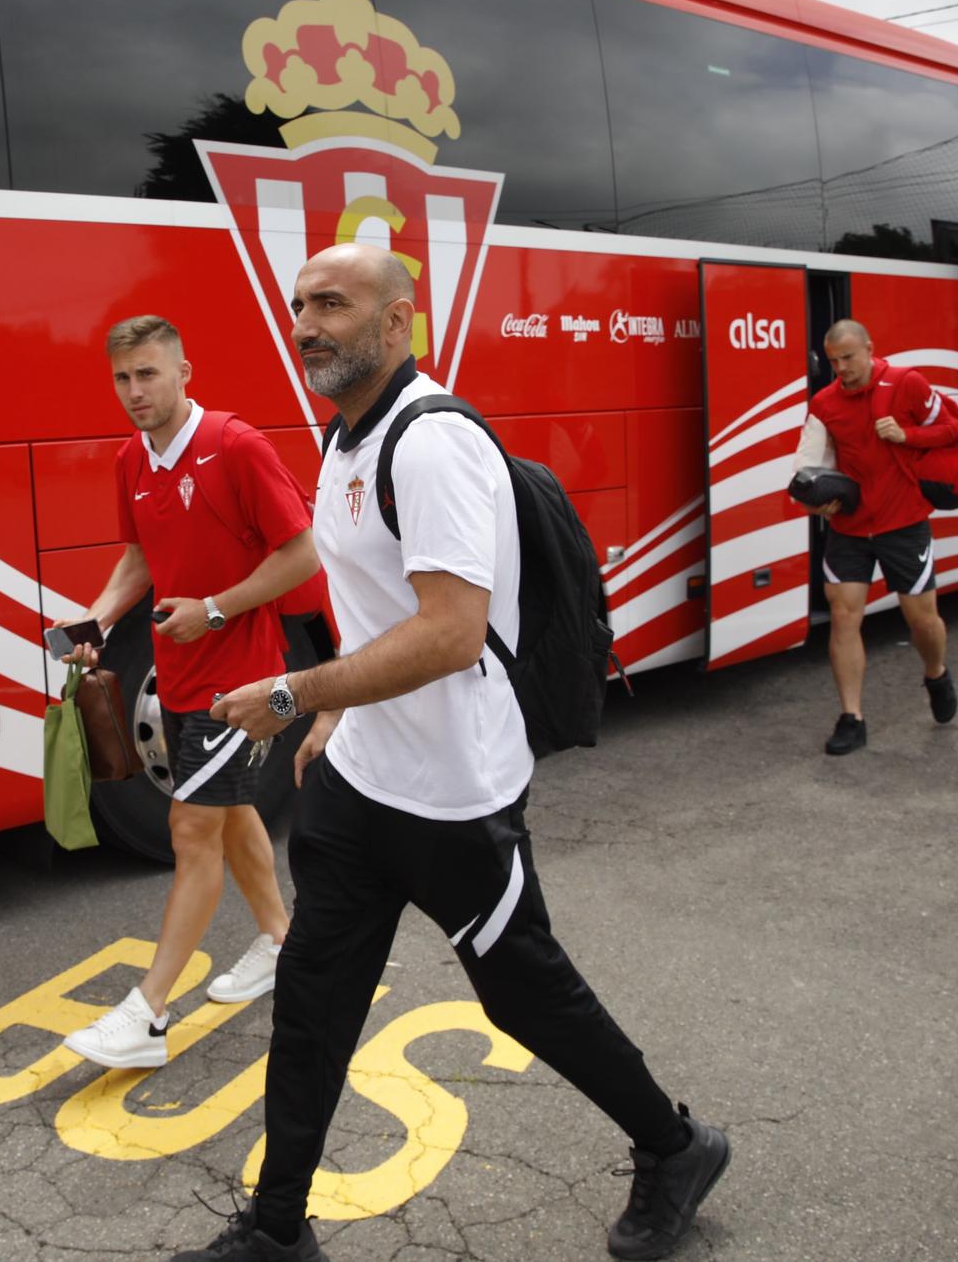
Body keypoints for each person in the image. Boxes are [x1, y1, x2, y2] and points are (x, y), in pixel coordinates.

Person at [180, 245, 727, 1262]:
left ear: (396, 325)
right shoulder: (346, 437)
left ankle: (675, 1143)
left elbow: (447, 632)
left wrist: (298, 695)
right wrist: (340, 718)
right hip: (358, 789)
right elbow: (375, 605)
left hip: (452, 798)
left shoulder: (428, 444)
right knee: (310, 1006)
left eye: (332, 304)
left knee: (526, 996)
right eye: (299, 304)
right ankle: (275, 1228)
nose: (306, 321)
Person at [58, 315, 317, 1070]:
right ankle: (283, 941)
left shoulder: (236, 445)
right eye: (121, 378)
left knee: (190, 829)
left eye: (148, 374)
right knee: (232, 816)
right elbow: (139, 560)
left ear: (184, 371)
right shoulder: (129, 461)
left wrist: (217, 608)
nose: (135, 392)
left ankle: (148, 1013)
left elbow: (302, 553)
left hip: (241, 683)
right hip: (178, 681)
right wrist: (97, 619)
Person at [792, 320, 958, 755]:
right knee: (844, 616)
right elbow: (807, 468)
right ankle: (852, 717)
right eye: (832, 361)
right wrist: (813, 502)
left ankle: (937, 672)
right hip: (850, 526)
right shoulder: (825, 402)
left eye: (848, 358)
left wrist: (908, 434)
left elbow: (953, 431)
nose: (841, 368)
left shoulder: (907, 383)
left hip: (903, 522)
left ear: (870, 348)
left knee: (921, 620)